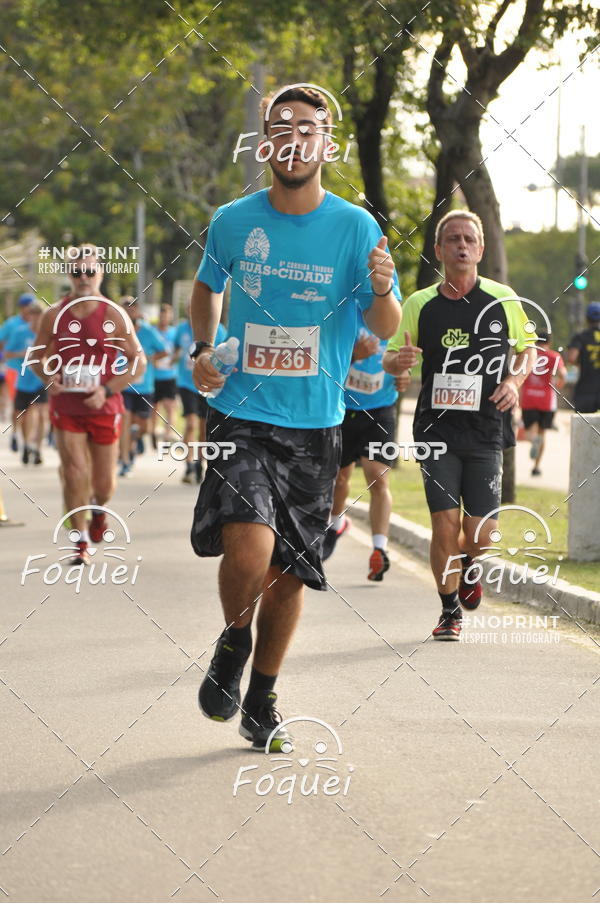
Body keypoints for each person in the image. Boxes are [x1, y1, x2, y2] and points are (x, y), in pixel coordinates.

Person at [189, 84, 401, 751]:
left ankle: (261, 693)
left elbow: (384, 322)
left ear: (326, 144)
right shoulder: (232, 220)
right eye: (281, 127)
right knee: (248, 542)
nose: (293, 138)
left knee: (288, 574)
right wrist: (202, 347)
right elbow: (206, 288)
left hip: (316, 420)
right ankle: (234, 639)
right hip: (241, 412)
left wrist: (385, 285)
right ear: (264, 142)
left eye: (307, 128)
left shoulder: (356, 229)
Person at [383, 209, 536, 640]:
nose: (461, 246)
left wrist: (515, 379)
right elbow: (391, 356)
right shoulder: (418, 304)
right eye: (452, 239)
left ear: (481, 249)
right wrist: (402, 361)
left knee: (482, 533)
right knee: (444, 524)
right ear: (439, 250)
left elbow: (528, 350)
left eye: (469, 239)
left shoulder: (503, 299)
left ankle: (469, 565)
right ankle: (449, 610)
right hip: (436, 430)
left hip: (487, 428)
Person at [31, 246, 143, 564]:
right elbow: (37, 357)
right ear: (69, 275)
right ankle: (80, 541)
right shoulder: (54, 314)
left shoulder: (113, 314)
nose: (83, 278)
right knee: (73, 470)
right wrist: (50, 379)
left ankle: (98, 510)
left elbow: (138, 363)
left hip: (104, 406)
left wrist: (106, 390)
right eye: (77, 272)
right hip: (66, 406)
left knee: (104, 484)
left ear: (100, 274)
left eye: (90, 272)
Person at [322, 316, 407, 581]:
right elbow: (323, 360)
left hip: (380, 410)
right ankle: (337, 523)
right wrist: (355, 356)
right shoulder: (345, 312)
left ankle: (379, 550)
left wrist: (402, 373)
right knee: (340, 479)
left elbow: (403, 359)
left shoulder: (394, 316)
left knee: (378, 479)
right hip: (342, 409)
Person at [173, 305, 227, 484]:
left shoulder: (218, 329)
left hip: (207, 384)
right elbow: (174, 351)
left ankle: (199, 463)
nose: (192, 311)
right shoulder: (181, 329)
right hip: (186, 383)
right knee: (190, 424)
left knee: (204, 429)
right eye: (189, 308)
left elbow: (224, 355)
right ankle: (188, 464)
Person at [119, 297, 168, 476]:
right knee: (124, 420)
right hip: (123, 385)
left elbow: (164, 351)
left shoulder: (148, 331)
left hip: (145, 386)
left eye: (132, 308)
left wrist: (148, 360)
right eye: (125, 308)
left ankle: (136, 438)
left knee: (144, 426)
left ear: (137, 310)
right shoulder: (115, 330)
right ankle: (125, 460)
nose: (129, 311)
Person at [4, 301, 49, 465]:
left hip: (42, 379)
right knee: (22, 413)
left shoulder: (48, 334)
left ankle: (37, 448)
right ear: (29, 316)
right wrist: (21, 354)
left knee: (41, 413)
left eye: (39, 316)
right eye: (33, 316)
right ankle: (25, 444)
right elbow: (7, 353)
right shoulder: (19, 332)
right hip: (23, 379)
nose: (36, 320)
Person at [519, 330, 566, 476]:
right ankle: (536, 467)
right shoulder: (554, 356)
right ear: (549, 342)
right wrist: (559, 383)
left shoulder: (529, 354)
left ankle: (533, 439)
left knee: (528, 430)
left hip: (528, 397)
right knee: (542, 432)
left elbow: (518, 372)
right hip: (547, 399)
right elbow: (563, 373)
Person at [0, 293, 34, 451]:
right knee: (17, 406)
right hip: (14, 369)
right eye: (27, 306)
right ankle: (15, 433)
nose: (30, 309)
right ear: (22, 307)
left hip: (33, 371)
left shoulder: (38, 323)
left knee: (31, 408)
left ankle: (28, 441)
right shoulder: (11, 324)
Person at [151, 303, 178, 448]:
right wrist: (153, 359)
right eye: (162, 316)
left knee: (170, 406)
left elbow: (179, 350)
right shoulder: (153, 331)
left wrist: (175, 359)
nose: (164, 318)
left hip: (170, 375)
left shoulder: (175, 333)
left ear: (170, 317)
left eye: (167, 316)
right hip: (155, 376)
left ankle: (168, 436)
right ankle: (153, 433)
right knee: (155, 408)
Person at [567, 301, 600, 414]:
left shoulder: (580, 337)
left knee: (585, 426)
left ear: (587, 318)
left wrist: (581, 362)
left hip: (586, 390)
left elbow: (572, 357)